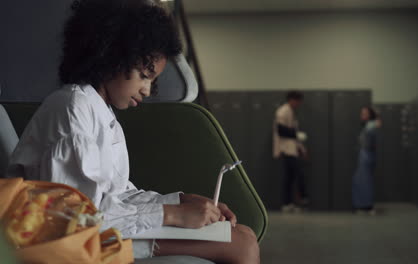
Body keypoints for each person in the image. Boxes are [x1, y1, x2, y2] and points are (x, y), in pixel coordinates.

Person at [6, 0, 259, 263]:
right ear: (111, 56)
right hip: (77, 242)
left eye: (152, 80)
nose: (147, 90)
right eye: (144, 75)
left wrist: (183, 201)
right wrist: (171, 215)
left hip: (97, 232)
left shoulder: (101, 111)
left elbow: (119, 194)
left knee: (244, 233)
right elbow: (77, 219)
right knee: (241, 245)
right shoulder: (72, 109)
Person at [273, 91, 309, 213]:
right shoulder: (283, 111)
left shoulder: (290, 111)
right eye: (298, 101)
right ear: (292, 100)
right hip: (286, 150)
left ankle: (288, 203)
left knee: (290, 177)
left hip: (291, 149)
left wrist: (301, 148)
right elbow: (281, 130)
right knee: (296, 175)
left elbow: (293, 133)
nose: (299, 104)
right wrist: (296, 134)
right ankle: (297, 200)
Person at [352, 106, 382, 216]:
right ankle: (362, 206)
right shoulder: (367, 125)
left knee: (365, 181)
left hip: (367, 155)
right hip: (364, 154)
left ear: (370, 115)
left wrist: (377, 114)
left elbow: (378, 124)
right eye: (362, 113)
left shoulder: (371, 124)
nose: (362, 115)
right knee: (359, 180)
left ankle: (368, 207)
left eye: (365, 113)